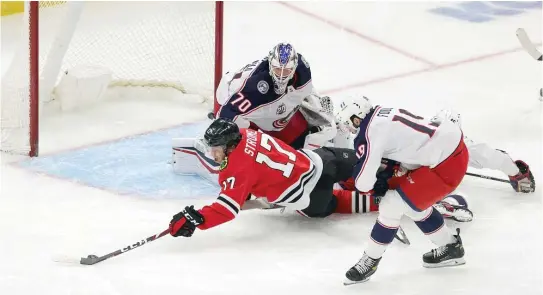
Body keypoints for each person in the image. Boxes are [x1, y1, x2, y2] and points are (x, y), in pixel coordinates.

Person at [334, 96, 469, 285]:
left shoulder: (370, 132)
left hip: (446, 163)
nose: (348, 128)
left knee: (392, 204)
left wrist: (376, 182)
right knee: (411, 203)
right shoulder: (381, 114)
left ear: (357, 118)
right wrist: (385, 175)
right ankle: (450, 247)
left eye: (348, 123)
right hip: (449, 152)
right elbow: (401, 150)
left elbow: (363, 183)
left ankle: (370, 260)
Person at [168, 118, 365, 239]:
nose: (213, 154)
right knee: (369, 165)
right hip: (321, 160)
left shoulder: (237, 170)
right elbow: (257, 167)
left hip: (310, 198)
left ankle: (378, 201)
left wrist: (198, 219)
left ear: (228, 146)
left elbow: (227, 209)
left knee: (358, 201)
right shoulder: (246, 133)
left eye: (216, 150)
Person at [171, 42, 336, 182]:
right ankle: (213, 148)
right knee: (251, 148)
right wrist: (220, 143)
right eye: (278, 70)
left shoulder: (302, 69)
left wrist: (317, 108)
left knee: (294, 145)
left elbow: (306, 91)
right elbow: (228, 113)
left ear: (294, 68)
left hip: (273, 111)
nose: (281, 76)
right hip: (231, 95)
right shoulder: (257, 86)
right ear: (271, 65)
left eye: (286, 71)